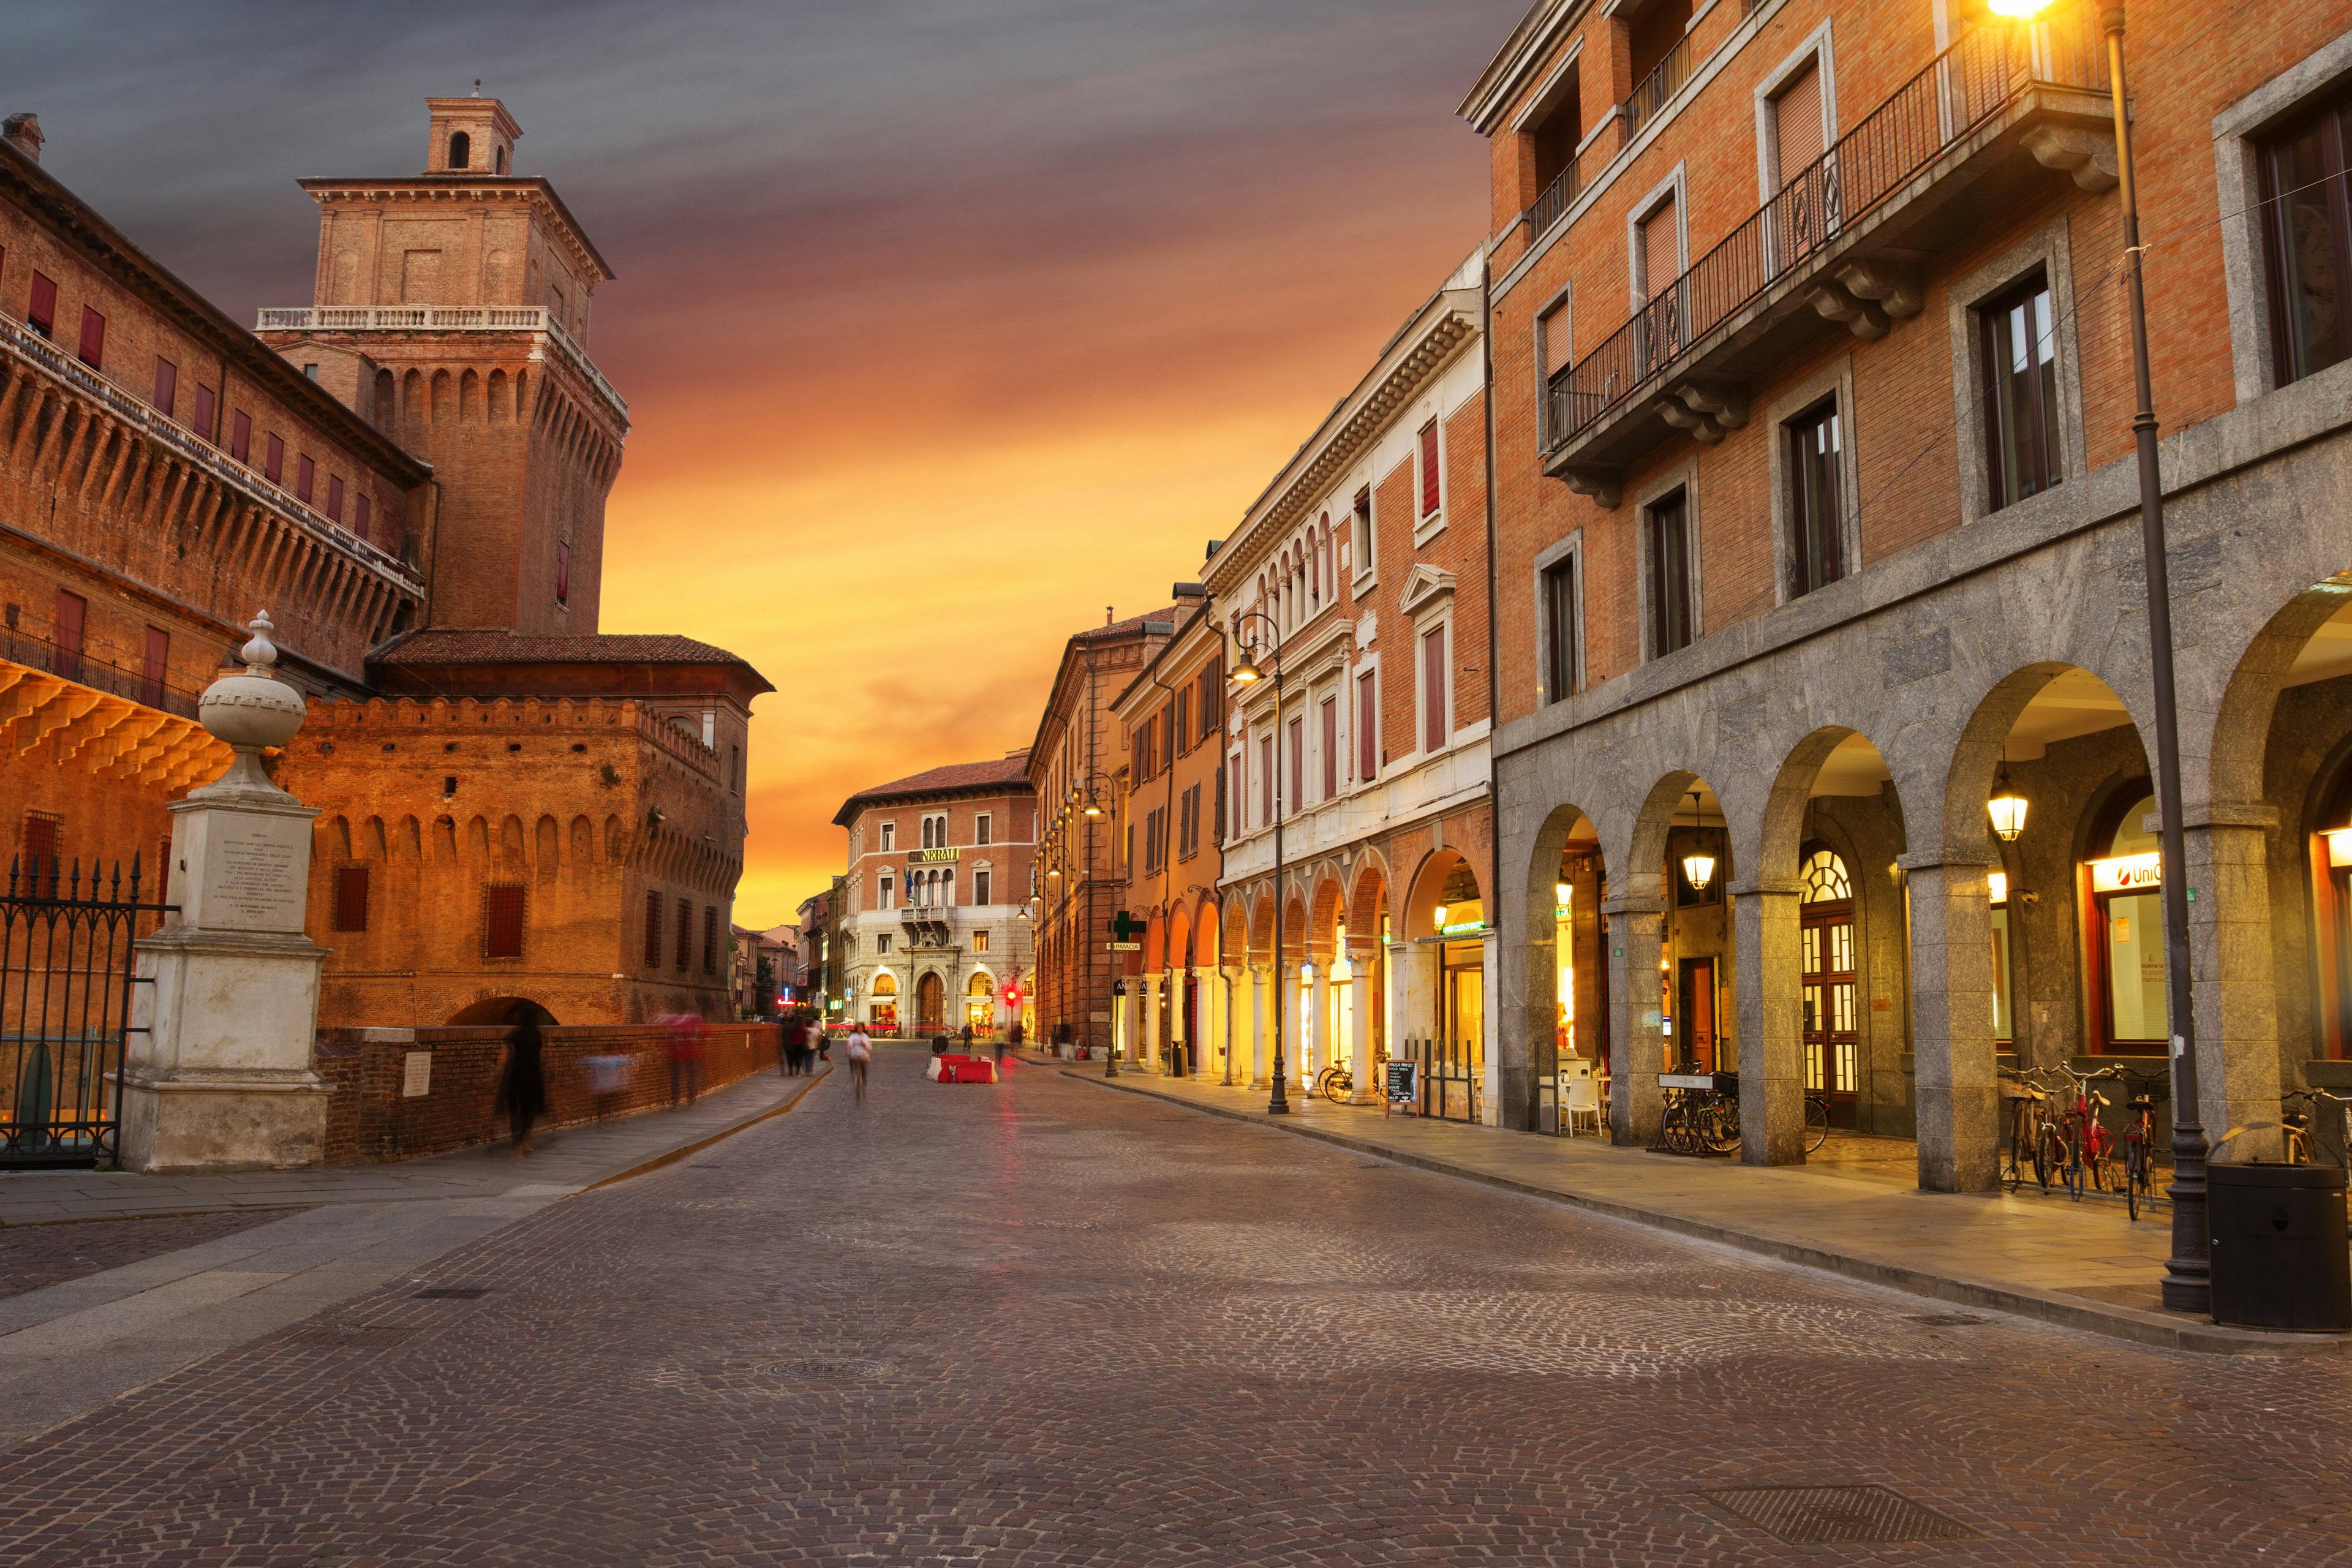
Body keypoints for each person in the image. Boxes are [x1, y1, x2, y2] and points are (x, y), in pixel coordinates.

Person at [501, 1009, 546, 1158]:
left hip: (517, 1074)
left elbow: (509, 1058)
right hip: (533, 1075)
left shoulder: (515, 1036)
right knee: (530, 1111)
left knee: (516, 1111)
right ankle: (525, 1140)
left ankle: (517, 1145)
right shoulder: (539, 1036)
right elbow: (542, 1056)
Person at [664, 1011, 708, 1107]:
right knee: (692, 1078)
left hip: (680, 1056)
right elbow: (705, 1037)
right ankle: (691, 1098)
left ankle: (677, 1100)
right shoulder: (695, 1023)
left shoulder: (677, 1025)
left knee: (677, 1079)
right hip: (692, 1056)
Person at [845, 1022, 871, 1102]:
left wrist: (865, 1046)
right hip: (855, 1055)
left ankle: (863, 1087)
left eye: (861, 1027)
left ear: (863, 1028)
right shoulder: (853, 1036)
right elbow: (850, 1044)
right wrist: (848, 1049)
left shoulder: (865, 1036)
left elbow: (869, 1047)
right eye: (858, 1027)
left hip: (863, 1056)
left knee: (864, 1073)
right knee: (851, 1057)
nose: (860, 1029)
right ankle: (853, 1073)